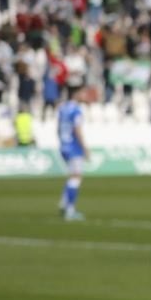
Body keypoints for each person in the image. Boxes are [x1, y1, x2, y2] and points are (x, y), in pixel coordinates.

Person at [56, 85, 93, 221]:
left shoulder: (62, 108)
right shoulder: (76, 110)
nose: (85, 95)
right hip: (74, 146)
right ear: (76, 94)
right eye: (83, 92)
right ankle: (70, 210)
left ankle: (64, 203)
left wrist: (62, 143)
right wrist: (85, 148)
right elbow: (77, 130)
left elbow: (58, 128)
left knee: (72, 175)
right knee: (76, 177)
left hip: (64, 146)